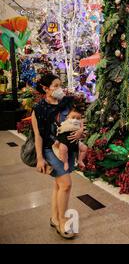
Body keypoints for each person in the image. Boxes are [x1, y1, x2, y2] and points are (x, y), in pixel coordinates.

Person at [31, 73, 84, 239]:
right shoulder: (39, 109)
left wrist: (81, 131)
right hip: (50, 149)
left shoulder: (67, 102)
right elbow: (37, 136)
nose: (59, 88)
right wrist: (40, 158)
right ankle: (62, 221)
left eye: (60, 85)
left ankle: (54, 217)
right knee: (66, 184)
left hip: (68, 147)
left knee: (59, 184)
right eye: (55, 85)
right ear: (45, 88)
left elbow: (78, 120)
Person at [52, 104, 87, 171]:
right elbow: (60, 131)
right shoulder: (65, 124)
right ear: (67, 117)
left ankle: (80, 160)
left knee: (84, 148)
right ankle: (65, 162)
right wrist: (58, 140)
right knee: (63, 149)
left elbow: (83, 133)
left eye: (78, 118)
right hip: (65, 141)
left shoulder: (79, 125)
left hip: (75, 142)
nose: (75, 120)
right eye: (73, 117)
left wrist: (81, 131)